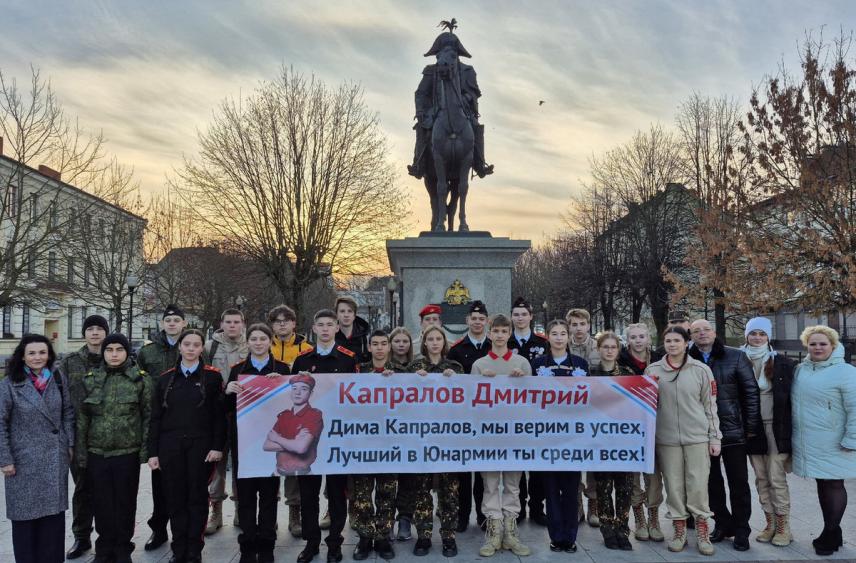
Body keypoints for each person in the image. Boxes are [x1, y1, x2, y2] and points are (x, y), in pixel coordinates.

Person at [148, 329, 226, 563]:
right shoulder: (165, 379)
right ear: (180, 347)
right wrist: (153, 452)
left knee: (197, 498)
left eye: (196, 345)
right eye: (187, 344)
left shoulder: (212, 378)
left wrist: (217, 447)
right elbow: (155, 418)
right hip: (170, 448)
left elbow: (219, 417)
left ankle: (194, 549)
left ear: (202, 348)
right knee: (175, 499)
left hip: (200, 448)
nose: (191, 349)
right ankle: (178, 547)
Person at [76, 333, 152, 563]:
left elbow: (148, 416)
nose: (114, 354)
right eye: (110, 350)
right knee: (101, 503)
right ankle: (104, 548)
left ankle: (122, 549)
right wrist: (81, 453)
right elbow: (82, 419)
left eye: (119, 349)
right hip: (97, 452)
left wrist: (145, 452)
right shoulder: (90, 379)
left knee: (125, 503)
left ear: (127, 352)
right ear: (103, 352)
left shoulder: (140, 380)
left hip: (127, 453)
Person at [645, 326, 720, 556]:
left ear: (686, 343)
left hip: (696, 436)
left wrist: (714, 436)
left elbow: (710, 406)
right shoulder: (653, 370)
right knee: (674, 485)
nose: (672, 344)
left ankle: (702, 531)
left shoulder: (701, 369)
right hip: (666, 439)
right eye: (668, 341)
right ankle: (678, 530)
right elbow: (646, 407)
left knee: (697, 484)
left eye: (677, 340)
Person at [291, 309, 359, 563]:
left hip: (336, 436)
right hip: (308, 437)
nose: (326, 329)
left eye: (330, 325)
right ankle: (311, 543)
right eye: (321, 325)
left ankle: (334, 543)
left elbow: (357, 395)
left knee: (336, 493)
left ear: (336, 329)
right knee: (308, 493)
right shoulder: (302, 359)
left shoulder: (347, 359)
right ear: (314, 328)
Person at [0, 334, 74, 563]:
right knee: (25, 521)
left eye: (42, 352)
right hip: (22, 464)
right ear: (22, 355)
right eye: (31, 353)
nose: (37, 357)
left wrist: (68, 444)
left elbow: (68, 413)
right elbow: (0, 422)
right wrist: (5, 459)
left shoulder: (58, 378)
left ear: (49, 355)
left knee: (53, 521)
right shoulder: (9, 384)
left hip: (54, 459)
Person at [689, 319, 761, 551]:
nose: (702, 334)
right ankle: (722, 522)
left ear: (714, 332)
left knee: (738, 482)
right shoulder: (688, 358)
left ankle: (742, 529)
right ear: (691, 335)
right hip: (701, 431)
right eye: (696, 331)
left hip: (732, 430)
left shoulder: (736, 356)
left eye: (706, 329)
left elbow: (750, 391)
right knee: (710, 482)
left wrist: (750, 426)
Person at [791, 325, 856, 556]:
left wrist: (852, 438)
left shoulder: (846, 372)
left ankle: (830, 532)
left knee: (834, 484)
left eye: (823, 343)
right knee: (823, 484)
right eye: (813, 343)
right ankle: (832, 530)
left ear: (833, 345)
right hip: (810, 440)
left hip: (835, 439)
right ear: (807, 345)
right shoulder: (801, 369)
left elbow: (855, 408)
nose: (817, 347)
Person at [227, 323, 289, 563]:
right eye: (254, 338)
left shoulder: (282, 369)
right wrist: (228, 391)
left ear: (270, 341)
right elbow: (225, 409)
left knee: (269, 495)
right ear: (248, 342)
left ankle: (266, 544)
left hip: (272, 445)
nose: (258, 342)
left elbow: (293, 405)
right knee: (245, 497)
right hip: (245, 444)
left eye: (263, 338)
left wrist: (283, 384)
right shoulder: (237, 370)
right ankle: (247, 544)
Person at [472, 314, 532, 557]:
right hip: (488, 435)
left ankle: (510, 531)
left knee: (512, 484)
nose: (499, 335)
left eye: (503, 331)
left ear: (509, 334)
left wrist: (522, 380)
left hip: (514, 435)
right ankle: (493, 531)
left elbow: (533, 399)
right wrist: (482, 382)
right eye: (495, 331)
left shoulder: (522, 363)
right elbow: (471, 401)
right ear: (489, 333)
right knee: (489, 483)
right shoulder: (479, 365)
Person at [406, 326, 464, 557]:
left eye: (438, 338)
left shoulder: (456, 367)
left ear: (444, 342)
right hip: (422, 438)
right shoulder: (414, 368)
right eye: (430, 339)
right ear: (424, 343)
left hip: (448, 438)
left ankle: (449, 536)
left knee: (449, 491)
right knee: (421, 490)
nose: (434, 342)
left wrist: (455, 381)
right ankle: (424, 536)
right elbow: (403, 403)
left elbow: (466, 401)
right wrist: (414, 380)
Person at [530, 319, 586, 553]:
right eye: (555, 333)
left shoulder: (581, 364)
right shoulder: (538, 364)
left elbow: (592, 398)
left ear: (569, 336)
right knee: (551, 490)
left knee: (571, 491)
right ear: (548, 337)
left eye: (564, 333)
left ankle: (570, 537)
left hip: (572, 437)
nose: (560, 337)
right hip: (547, 437)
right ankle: (556, 536)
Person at [136, 304, 188, 551]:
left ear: (184, 323)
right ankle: (159, 530)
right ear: (162, 323)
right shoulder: (149, 352)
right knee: (160, 483)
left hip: (186, 422)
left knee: (185, 483)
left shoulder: (192, 346)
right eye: (168, 320)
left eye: (177, 320)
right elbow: (140, 382)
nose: (172, 323)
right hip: (159, 422)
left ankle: (184, 530)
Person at [741, 317, 795, 547]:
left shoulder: (782, 362)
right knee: (761, 477)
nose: (757, 337)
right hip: (751, 426)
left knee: (776, 476)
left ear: (768, 336)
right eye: (753, 333)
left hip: (776, 426)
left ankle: (784, 525)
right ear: (747, 335)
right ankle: (770, 521)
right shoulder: (738, 358)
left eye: (762, 334)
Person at [61, 313, 109, 559]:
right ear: (84, 333)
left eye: (99, 329)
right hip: (79, 436)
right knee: (82, 488)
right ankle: (81, 537)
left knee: (107, 489)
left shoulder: (115, 358)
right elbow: (58, 397)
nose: (95, 333)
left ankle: (108, 536)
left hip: (108, 436)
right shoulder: (69, 362)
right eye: (90, 329)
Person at [267, 304, 312, 539]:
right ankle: (269, 515)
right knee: (269, 467)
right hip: (269, 415)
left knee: (294, 465)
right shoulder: (265, 346)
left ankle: (295, 512)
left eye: (286, 320)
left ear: (294, 323)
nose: (282, 324)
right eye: (277, 321)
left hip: (297, 415)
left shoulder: (306, 350)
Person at [351, 330, 397, 560]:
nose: (379, 348)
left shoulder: (400, 372)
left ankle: (383, 537)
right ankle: (365, 537)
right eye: (375, 344)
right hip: (363, 443)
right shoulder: (357, 370)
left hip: (391, 444)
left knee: (386, 493)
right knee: (362, 493)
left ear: (389, 347)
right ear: (369, 347)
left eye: (383, 343)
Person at [618, 323, 665, 542]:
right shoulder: (620, 362)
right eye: (634, 337)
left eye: (642, 336)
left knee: (653, 474)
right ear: (628, 340)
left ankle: (653, 516)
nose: (638, 340)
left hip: (655, 424)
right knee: (632, 475)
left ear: (649, 338)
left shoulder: (660, 361)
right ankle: (639, 518)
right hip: (629, 425)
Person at [589, 331, 635, 550]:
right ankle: (607, 528)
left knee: (624, 487)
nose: (609, 350)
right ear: (599, 350)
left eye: (612, 347)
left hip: (624, 441)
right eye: (605, 347)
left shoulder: (628, 374)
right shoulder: (591, 375)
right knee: (603, 487)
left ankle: (623, 529)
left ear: (618, 350)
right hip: (599, 441)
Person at [447, 300, 490, 532]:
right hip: (462, 419)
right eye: (473, 319)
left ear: (486, 321)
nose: (477, 322)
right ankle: (462, 516)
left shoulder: (494, 348)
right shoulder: (456, 349)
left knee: (483, 474)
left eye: (481, 319)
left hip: (486, 419)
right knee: (462, 473)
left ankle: (483, 515)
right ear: (467, 321)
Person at [205, 307, 249, 534]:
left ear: (243, 323)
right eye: (228, 322)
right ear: (222, 323)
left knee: (242, 464)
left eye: (236, 322)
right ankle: (216, 510)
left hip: (245, 414)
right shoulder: (210, 347)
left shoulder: (251, 345)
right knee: (218, 465)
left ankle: (241, 509)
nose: (232, 325)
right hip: (218, 413)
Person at [507, 297, 548, 526]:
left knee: (536, 464)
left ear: (531, 317)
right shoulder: (505, 342)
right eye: (516, 314)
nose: (520, 318)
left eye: (524, 314)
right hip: (512, 412)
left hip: (537, 411)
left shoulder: (543, 342)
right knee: (517, 464)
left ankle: (537, 507)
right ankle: (519, 506)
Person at [565, 308, 600, 527]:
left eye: (582, 324)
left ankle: (593, 505)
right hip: (570, 413)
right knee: (573, 460)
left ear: (588, 325)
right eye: (574, 324)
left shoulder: (600, 347)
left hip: (596, 410)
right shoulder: (562, 346)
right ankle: (576, 503)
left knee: (594, 461)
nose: (578, 328)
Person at [388, 326, 416, 540]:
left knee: (408, 478)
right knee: (388, 479)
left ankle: (405, 518)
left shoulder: (418, 367)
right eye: (396, 341)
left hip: (412, 432)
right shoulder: (383, 367)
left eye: (404, 341)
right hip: (387, 431)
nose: (400, 345)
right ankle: (386, 519)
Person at [334, 296, 370, 362]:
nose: (346, 315)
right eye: (342, 311)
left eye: (350, 311)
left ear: (354, 315)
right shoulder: (330, 337)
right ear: (336, 315)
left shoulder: (364, 337)